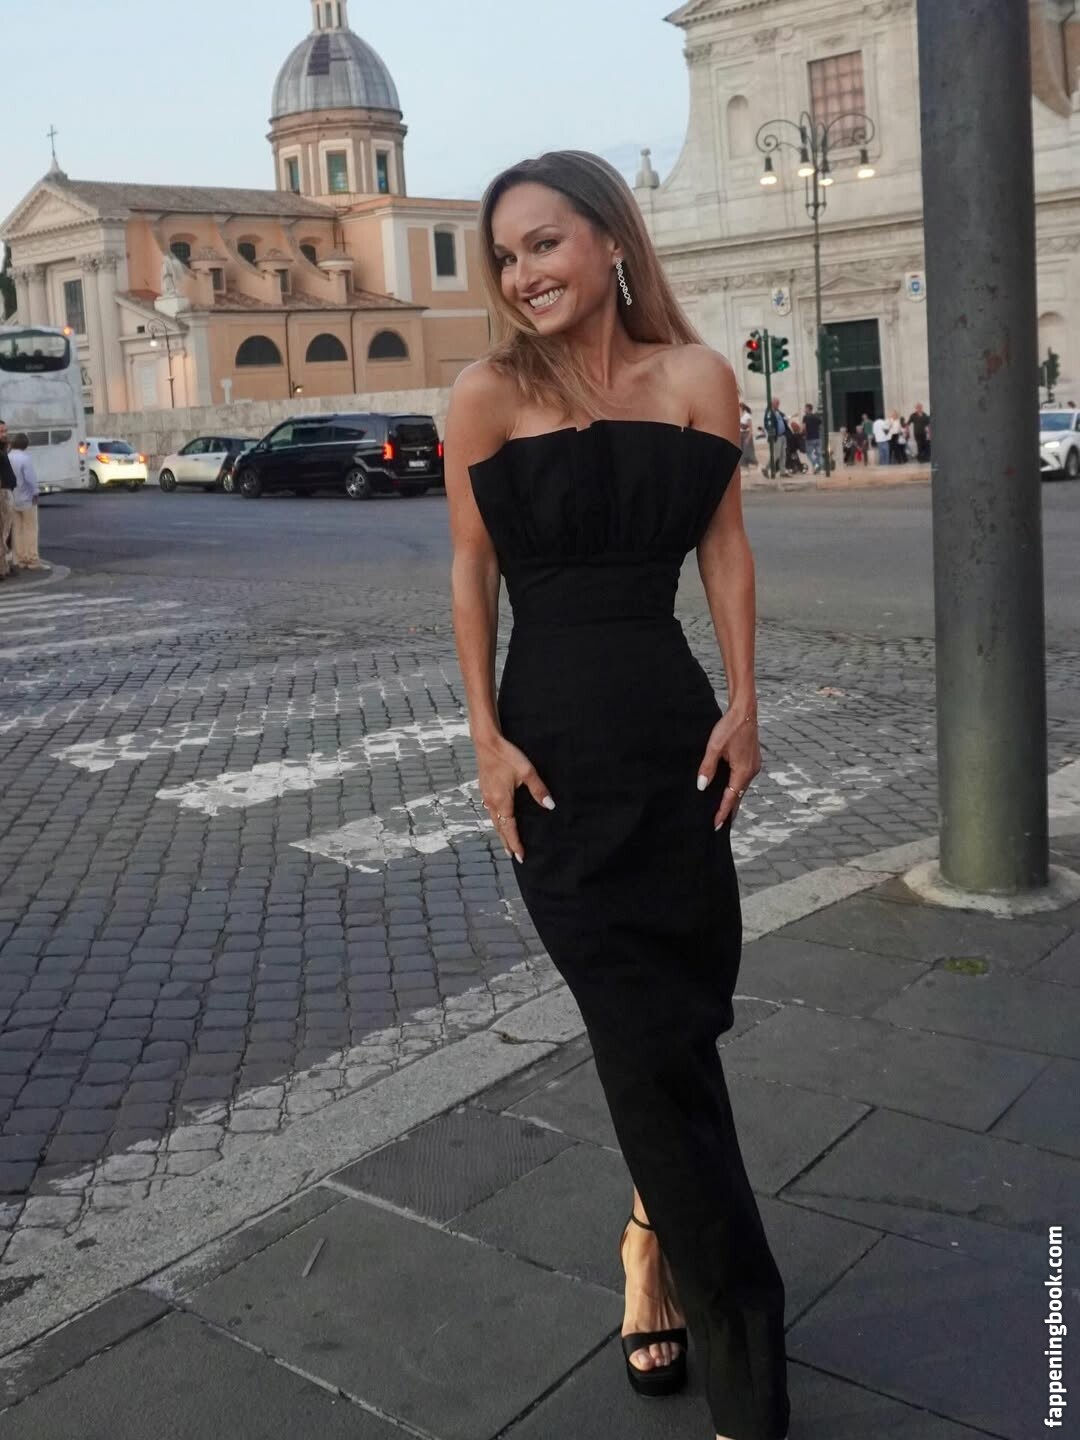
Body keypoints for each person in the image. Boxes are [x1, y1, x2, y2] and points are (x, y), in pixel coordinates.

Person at [445, 150, 790, 1440]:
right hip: (553, 759)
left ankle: (650, 1235)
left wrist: (746, 705)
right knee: (641, 1035)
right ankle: (746, 1360)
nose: (523, 273)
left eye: (543, 243)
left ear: (610, 239)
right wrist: (485, 739)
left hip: (673, 741)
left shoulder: (697, 380)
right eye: (506, 256)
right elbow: (472, 574)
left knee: (685, 1013)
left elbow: (726, 549)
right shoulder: (485, 396)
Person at [8, 434, 46, 570]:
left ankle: (19, 558)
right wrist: (35, 493)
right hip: (26, 499)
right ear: (25, 445)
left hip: (12, 498)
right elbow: (30, 479)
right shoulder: (25, 458)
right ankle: (31, 559)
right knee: (30, 529)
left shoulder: (8, 456)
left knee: (16, 529)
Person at [0, 420, 16, 580]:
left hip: (7, 491)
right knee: (3, 532)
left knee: (6, 532)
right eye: (1, 432)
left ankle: (4, 567)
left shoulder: (3, 450)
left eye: (5, 431)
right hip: (2, 493)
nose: (5, 434)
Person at [763, 396, 788, 477]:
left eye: (778, 403)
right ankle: (766, 468)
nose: (778, 405)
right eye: (777, 403)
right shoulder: (769, 412)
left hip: (783, 435)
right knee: (776, 455)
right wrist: (772, 433)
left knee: (783, 455)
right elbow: (767, 424)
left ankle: (782, 472)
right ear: (772, 403)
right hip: (776, 436)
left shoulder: (778, 412)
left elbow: (783, 419)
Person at [802, 402, 823, 473]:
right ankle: (819, 468)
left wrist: (804, 435)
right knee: (819, 454)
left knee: (809, 453)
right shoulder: (816, 417)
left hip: (810, 438)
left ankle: (816, 465)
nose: (804, 410)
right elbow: (820, 426)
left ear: (808, 409)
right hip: (817, 437)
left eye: (805, 408)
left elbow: (804, 428)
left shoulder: (805, 417)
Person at [738, 400, 757, 469]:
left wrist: (748, 437)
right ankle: (743, 465)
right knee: (741, 450)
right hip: (740, 434)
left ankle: (753, 462)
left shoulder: (747, 416)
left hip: (746, 434)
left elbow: (750, 427)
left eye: (739, 407)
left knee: (747, 450)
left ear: (742, 408)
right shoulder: (737, 415)